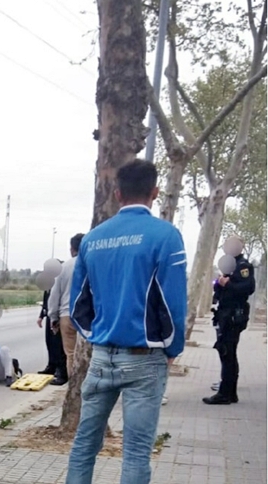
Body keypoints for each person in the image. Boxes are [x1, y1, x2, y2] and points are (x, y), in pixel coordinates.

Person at [65, 159, 187, 484]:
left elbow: (77, 305)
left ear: (117, 193)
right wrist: (173, 347)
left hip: (101, 357)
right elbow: (174, 303)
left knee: (84, 444)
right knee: (135, 452)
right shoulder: (166, 236)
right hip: (145, 359)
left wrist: (98, 335)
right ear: (155, 192)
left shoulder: (93, 239)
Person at [203, 240, 255, 405]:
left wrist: (228, 284)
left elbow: (248, 288)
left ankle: (225, 393)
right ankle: (230, 392)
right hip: (225, 313)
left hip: (234, 315)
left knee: (227, 351)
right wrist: (219, 284)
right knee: (228, 353)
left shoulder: (242, 266)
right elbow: (219, 289)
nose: (227, 248)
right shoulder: (229, 265)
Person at [48, 233, 85, 379]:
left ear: (72, 249)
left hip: (67, 315)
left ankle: (73, 387)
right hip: (88, 316)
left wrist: (53, 317)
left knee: (71, 354)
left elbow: (55, 294)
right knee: (89, 353)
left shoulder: (64, 267)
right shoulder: (94, 264)